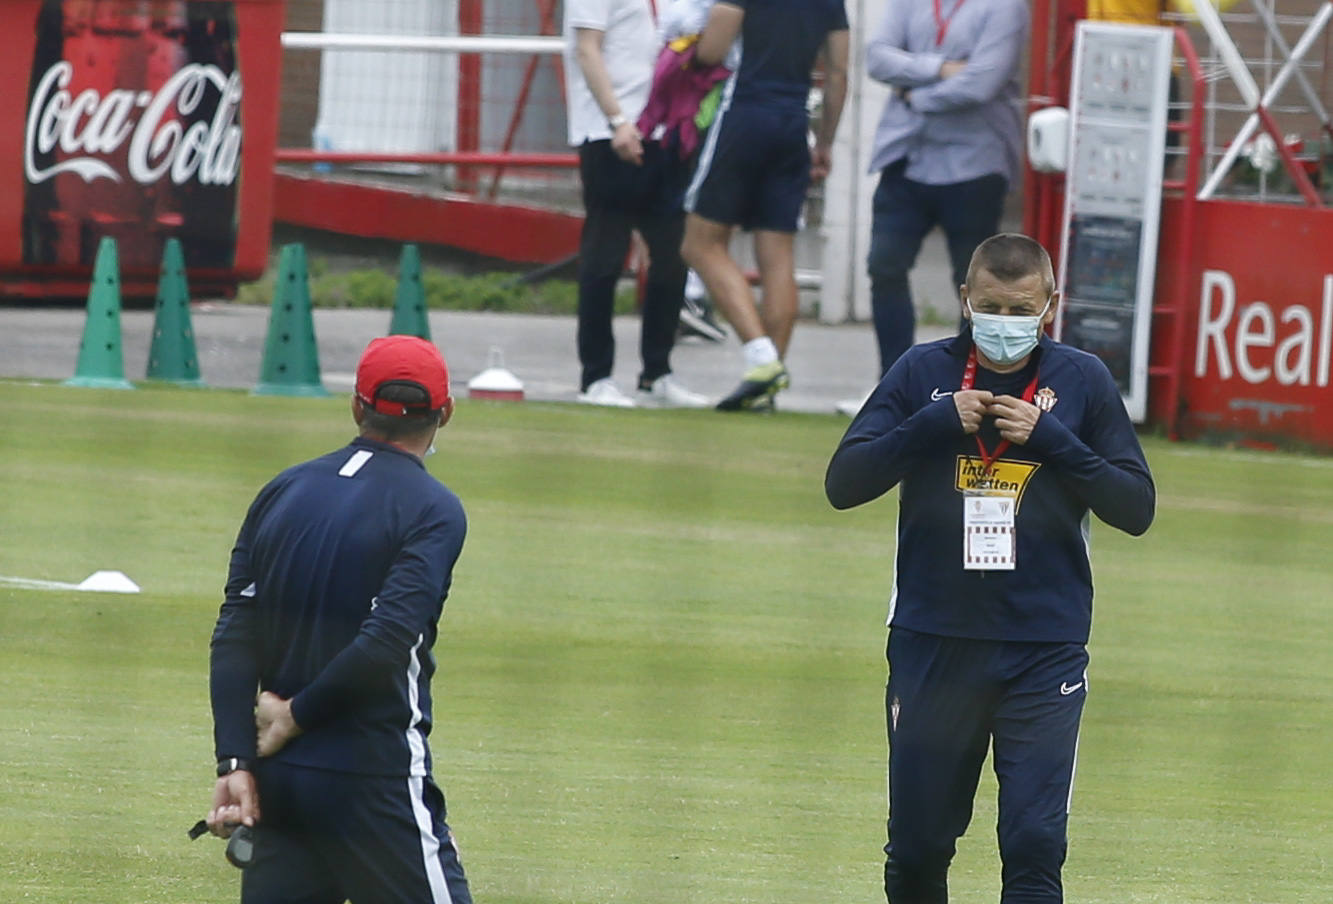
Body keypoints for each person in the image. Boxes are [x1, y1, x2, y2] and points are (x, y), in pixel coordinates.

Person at [824, 234, 1155, 903]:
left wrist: (1053, 440)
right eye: (992, 306)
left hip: (1043, 647)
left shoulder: (1082, 380)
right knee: (917, 848)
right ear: (965, 299)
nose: (1006, 321)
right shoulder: (921, 374)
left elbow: (1135, 506)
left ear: (1050, 305)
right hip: (931, 640)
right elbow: (843, 483)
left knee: (1033, 846)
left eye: (1021, 308)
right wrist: (930, 424)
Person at [206, 335, 473, 904]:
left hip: (281, 787)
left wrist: (234, 758)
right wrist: (295, 717)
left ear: (356, 406)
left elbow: (235, 632)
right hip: (373, 783)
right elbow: (384, 644)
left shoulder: (284, 489)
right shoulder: (434, 509)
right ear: (445, 413)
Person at [679, 0, 850, 411]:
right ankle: (767, 383)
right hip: (792, 121)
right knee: (777, 253)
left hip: (744, 112)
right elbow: (839, 72)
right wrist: (824, 142)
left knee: (700, 244)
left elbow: (713, 49)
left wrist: (688, 47)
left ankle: (761, 358)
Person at [861, 0, 1028, 383]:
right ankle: (895, 384)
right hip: (907, 155)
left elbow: (981, 83)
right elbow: (876, 58)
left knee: (977, 285)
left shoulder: (1005, 8)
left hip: (975, 163)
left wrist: (913, 95)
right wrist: (940, 68)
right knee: (884, 265)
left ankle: (964, 385)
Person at [563, 0, 710, 409]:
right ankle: (596, 376)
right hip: (609, 132)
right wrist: (616, 120)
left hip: (667, 130)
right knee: (605, 254)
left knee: (672, 254)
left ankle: (657, 373)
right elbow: (587, 48)